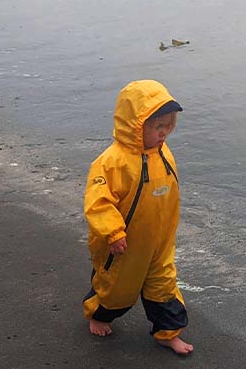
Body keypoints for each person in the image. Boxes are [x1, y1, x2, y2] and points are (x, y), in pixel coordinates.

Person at [82, 79, 193, 355]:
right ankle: (98, 314)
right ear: (135, 125)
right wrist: (113, 232)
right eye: (158, 127)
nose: (164, 133)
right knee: (118, 290)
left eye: (168, 126)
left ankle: (167, 333)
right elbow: (98, 201)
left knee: (164, 288)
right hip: (124, 244)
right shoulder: (112, 162)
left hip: (159, 241)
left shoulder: (163, 153)